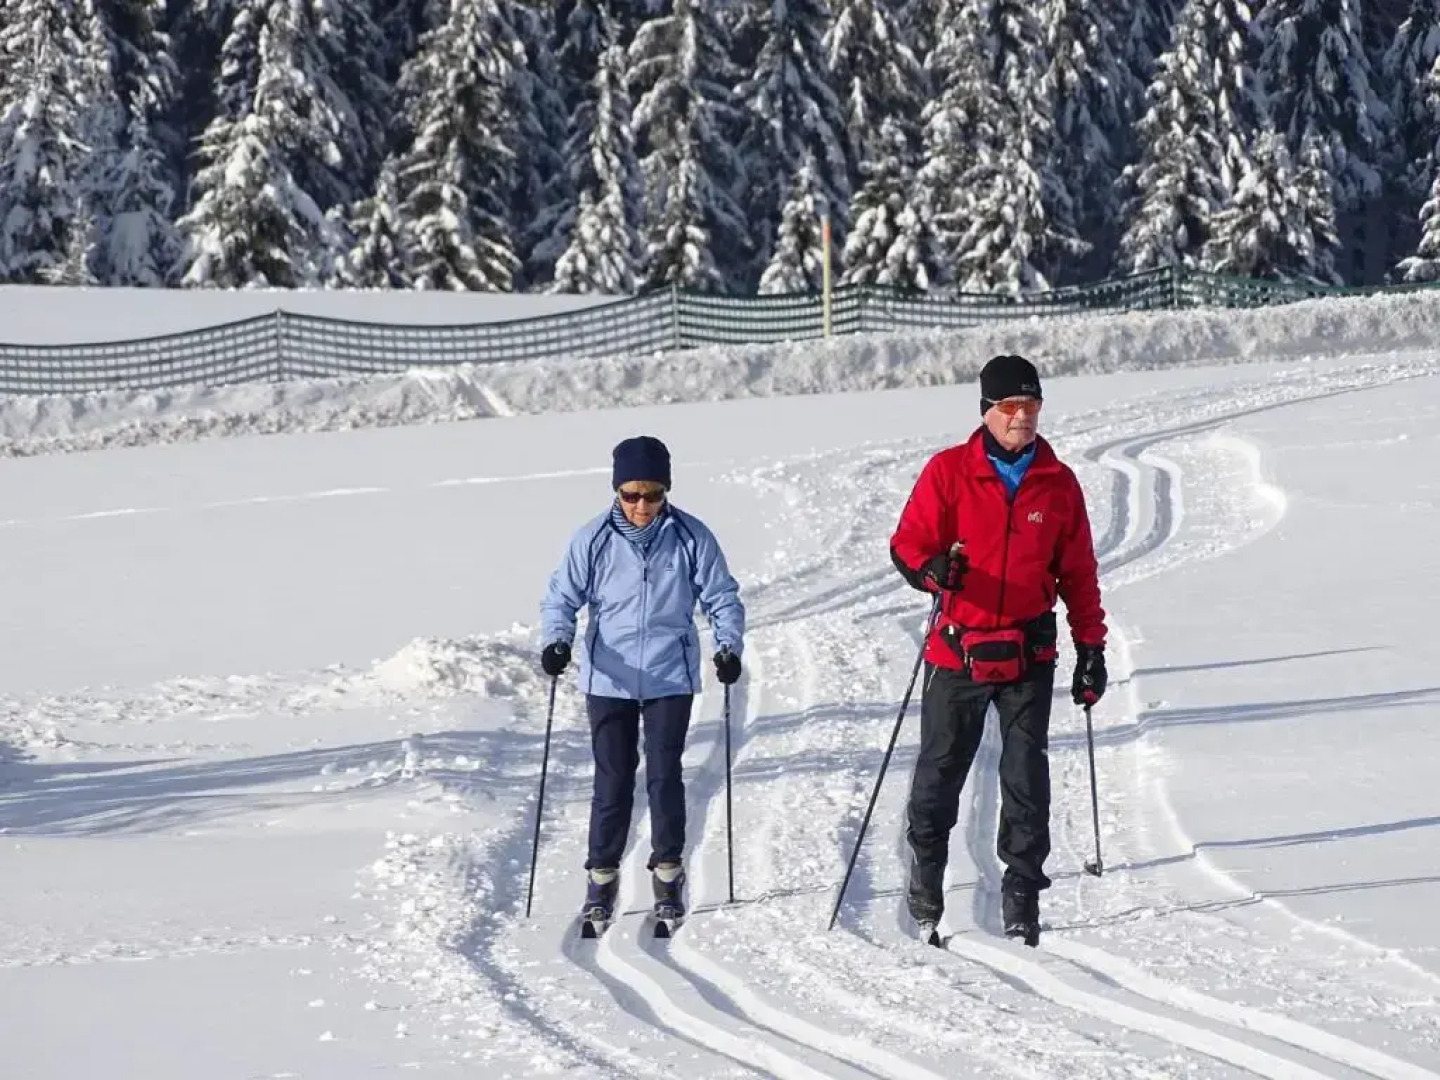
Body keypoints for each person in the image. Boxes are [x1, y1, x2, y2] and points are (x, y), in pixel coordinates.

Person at [888, 354, 1107, 941]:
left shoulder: (1058, 484)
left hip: (1028, 652)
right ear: (986, 411)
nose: (1022, 418)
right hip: (957, 651)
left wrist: (1091, 647)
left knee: (1025, 776)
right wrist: (935, 570)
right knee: (939, 772)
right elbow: (908, 545)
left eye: (1031, 407)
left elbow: (1079, 573)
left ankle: (1022, 895)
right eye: (1011, 407)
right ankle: (927, 875)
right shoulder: (949, 473)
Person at [540, 435, 746, 925]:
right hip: (608, 678)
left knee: (663, 776)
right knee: (612, 780)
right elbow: (561, 599)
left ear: (666, 491)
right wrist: (557, 642)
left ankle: (669, 871)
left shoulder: (692, 537)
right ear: (617, 491)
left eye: (652, 494)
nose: (641, 506)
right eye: (631, 494)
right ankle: (602, 876)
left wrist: (727, 647)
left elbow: (722, 598)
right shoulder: (591, 539)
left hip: (668, 675)